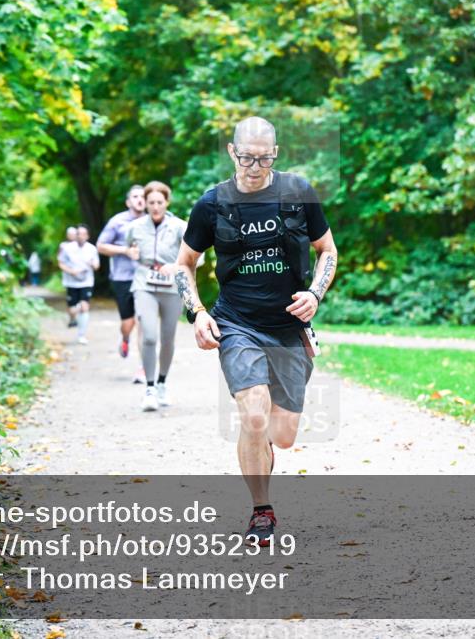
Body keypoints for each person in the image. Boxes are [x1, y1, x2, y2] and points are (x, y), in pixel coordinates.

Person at [174, 116, 338, 546]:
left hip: (288, 327)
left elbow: (327, 250)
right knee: (253, 413)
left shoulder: (298, 193)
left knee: (282, 437)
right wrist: (197, 312)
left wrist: (316, 294)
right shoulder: (213, 204)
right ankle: (261, 511)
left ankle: (261, 448)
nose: (254, 166)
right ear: (232, 151)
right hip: (236, 322)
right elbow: (184, 263)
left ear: (276, 154)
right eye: (246, 157)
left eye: (264, 159)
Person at [125, 181, 202, 412]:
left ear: (167, 202)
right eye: (151, 203)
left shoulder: (180, 226)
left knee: (167, 338)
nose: (155, 207)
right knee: (148, 336)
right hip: (144, 284)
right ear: (145, 204)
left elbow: (199, 257)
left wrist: (176, 265)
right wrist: (131, 253)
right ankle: (148, 389)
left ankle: (161, 383)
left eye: (159, 202)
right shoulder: (135, 227)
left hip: (171, 286)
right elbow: (130, 248)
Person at [97, 185, 147, 381]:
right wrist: (125, 251)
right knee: (129, 322)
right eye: (135, 196)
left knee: (145, 321)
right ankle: (125, 337)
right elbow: (100, 246)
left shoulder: (152, 221)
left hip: (145, 279)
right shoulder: (117, 222)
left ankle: (144, 367)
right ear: (128, 202)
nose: (139, 199)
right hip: (122, 278)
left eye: (143, 196)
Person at [58, 225, 99, 344]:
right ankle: (72, 316)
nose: (80, 236)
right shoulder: (67, 248)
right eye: (78, 234)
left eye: (83, 234)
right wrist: (71, 271)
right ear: (75, 235)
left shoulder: (92, 249)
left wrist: (93, 264)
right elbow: (61, 263)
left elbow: (97, 265)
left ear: (87, 236)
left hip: (86, 282)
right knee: (72, 310)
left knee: (85, 306)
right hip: (71, 283)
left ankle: (81, 335)